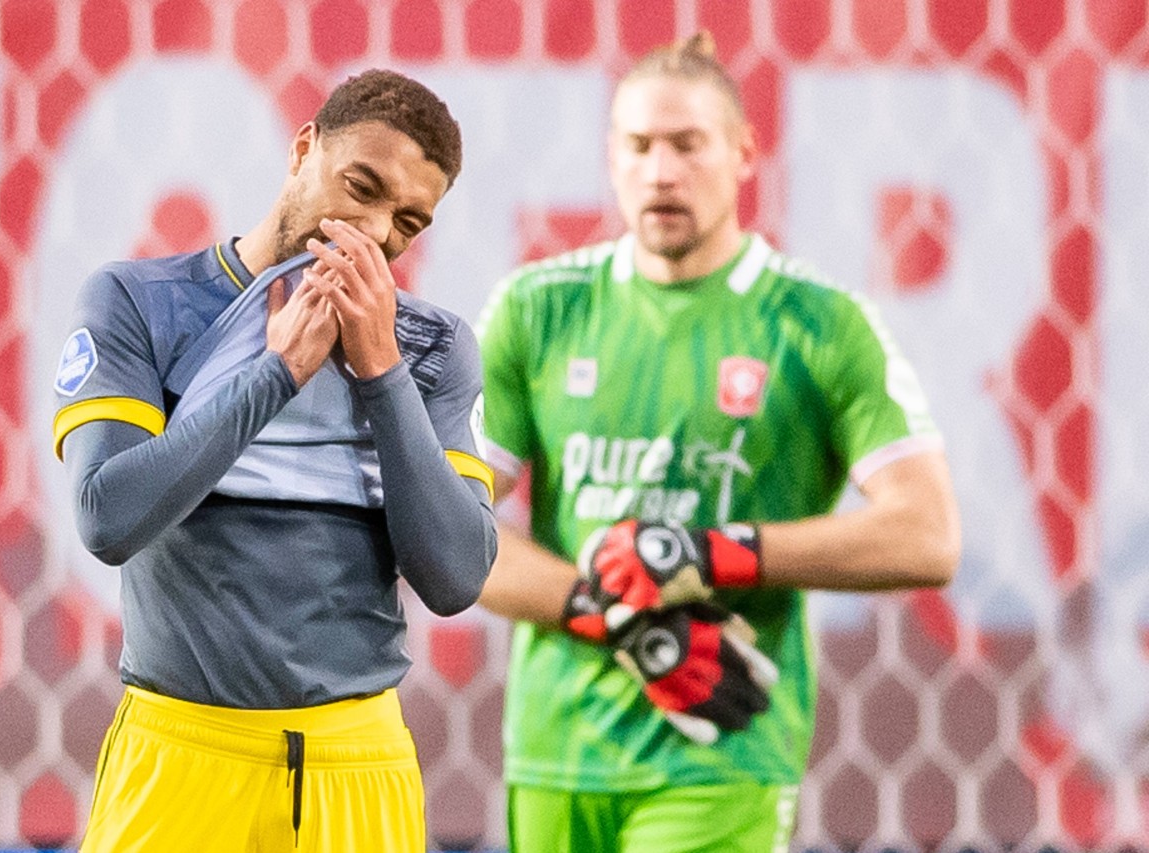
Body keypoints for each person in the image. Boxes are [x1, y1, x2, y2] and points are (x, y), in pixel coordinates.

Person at [474, 32, 961, 853]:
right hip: (558, 748)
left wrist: (708, 550)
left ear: (743, 153)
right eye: (638, 146)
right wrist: (621, 620)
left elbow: (927, 534)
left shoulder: (819, 325)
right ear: (610, 157)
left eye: (687, 145)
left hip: (721, 750)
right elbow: (450, 533)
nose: (660, 171)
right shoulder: (537, 310)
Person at [50, 69, 497, 852]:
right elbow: (107, 517)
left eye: (409, 222)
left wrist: (383, 373)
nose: (377, 231)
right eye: (361, 185)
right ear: (303, 151)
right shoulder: (141, 301)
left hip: (357, 762)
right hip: (182, 751)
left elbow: (457, 577)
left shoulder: (433, 349)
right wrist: (276, 374)